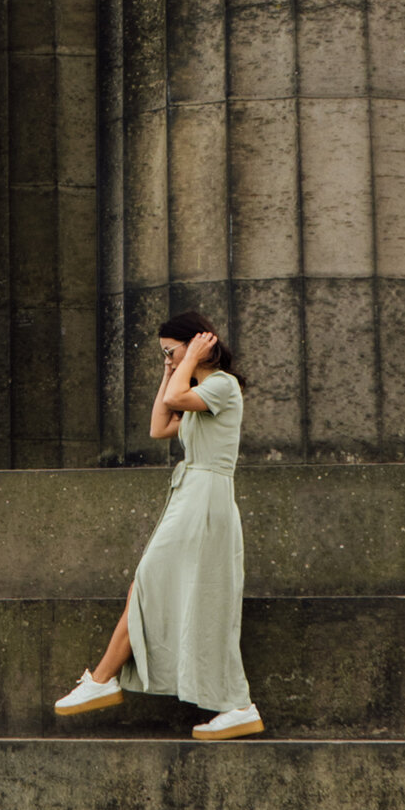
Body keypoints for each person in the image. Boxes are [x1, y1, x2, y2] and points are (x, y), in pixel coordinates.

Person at [52, 312, 263, 737]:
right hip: (191, 493)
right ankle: (105, 681)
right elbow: (158, 426)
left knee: (151, 582)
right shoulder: (201, 390)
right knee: (151, 585)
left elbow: (175, 401)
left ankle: (104, 680)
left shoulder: (222, 385)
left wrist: (187, 364)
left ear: (199, 344)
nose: (167, 359)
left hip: (205, 495)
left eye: (171, 350)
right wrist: (174, 367)